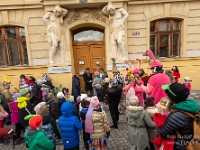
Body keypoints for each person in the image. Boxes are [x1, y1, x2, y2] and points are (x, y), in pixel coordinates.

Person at [159, 82, 199, 150]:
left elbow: (164, 134)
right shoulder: (194, 107)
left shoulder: (176, 114)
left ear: (172, 98)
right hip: (193, 142)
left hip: (181, 146)